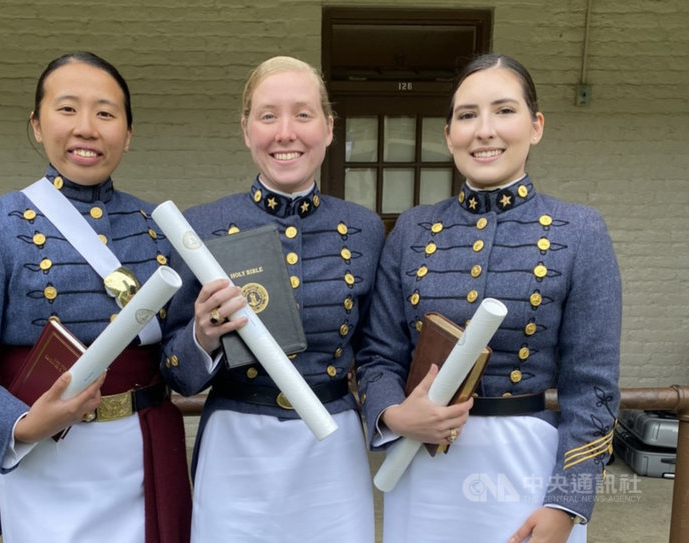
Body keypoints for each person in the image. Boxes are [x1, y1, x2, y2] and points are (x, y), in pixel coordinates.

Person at [0, 51, 191, 543]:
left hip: (149, 456)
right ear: (37, 125)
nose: (86, 127)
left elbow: (181, 369)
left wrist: (208, 338)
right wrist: (21, 425)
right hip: (47, 460)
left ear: (127, 135)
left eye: (106, 113)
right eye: (67, 109)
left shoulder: (159, 230)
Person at [355, 52, 621, 543]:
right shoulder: (412, 229)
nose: (484, 130)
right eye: (467, 115)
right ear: (448, 133)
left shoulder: (581, 231)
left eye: (504, 110)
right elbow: (378, 355)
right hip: (422, 465)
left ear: (536, 125)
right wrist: (394, 414)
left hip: (528, 471)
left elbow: (595, 389)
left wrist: (568, 502)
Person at [160, 55, 384, 543]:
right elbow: (175, 371)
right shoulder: (201, 227)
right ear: (246, 130)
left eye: (303, 115)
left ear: (328, 128)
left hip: (332, 441)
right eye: (267, 116)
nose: (286, 133)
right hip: (236, 443)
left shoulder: (365, 229)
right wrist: (201, 336)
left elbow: (378, 352)